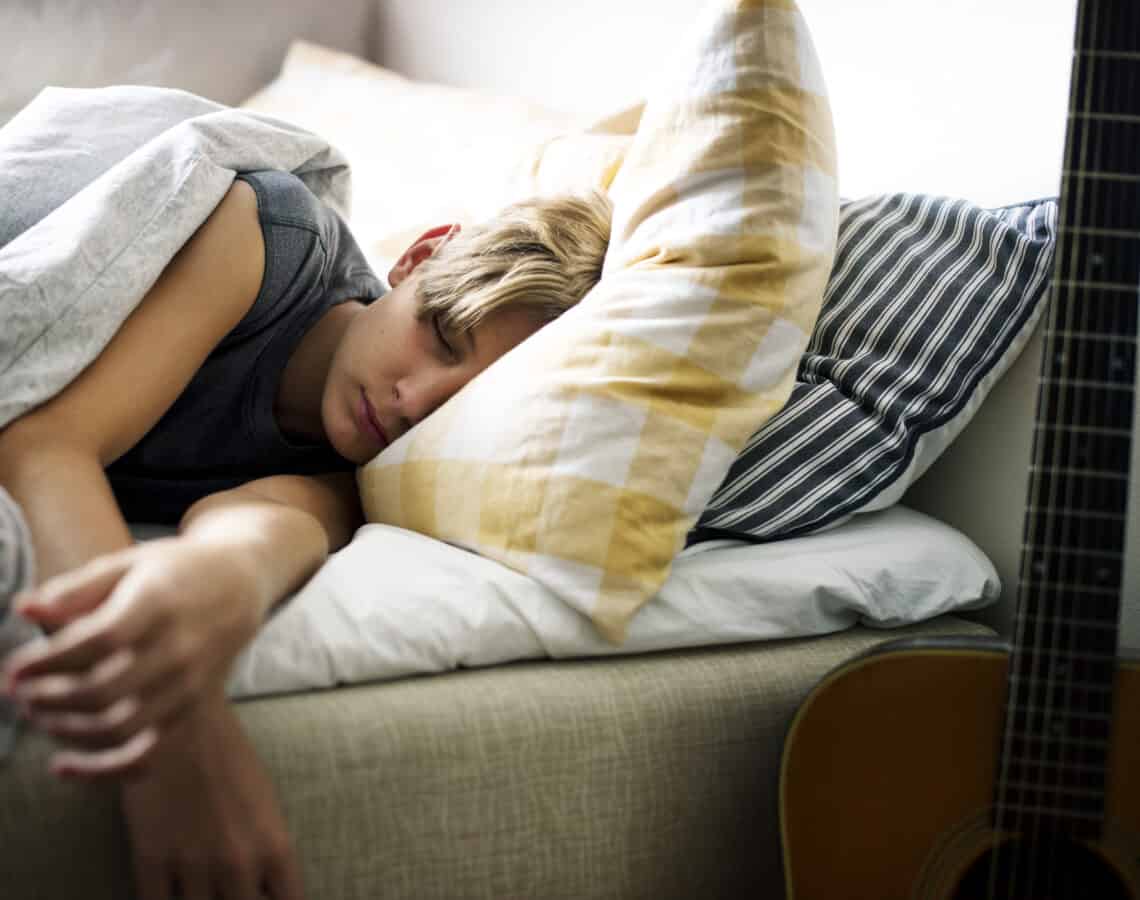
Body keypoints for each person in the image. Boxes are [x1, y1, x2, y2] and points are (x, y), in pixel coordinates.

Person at [0, 169, 613, 899]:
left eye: (462, 404)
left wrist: (228, 577)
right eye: (443, 337)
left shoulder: (381, 465)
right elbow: (41, 442)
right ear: (420, 257)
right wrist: (176, 737)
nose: (413, 400)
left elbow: (271, 522)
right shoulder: (262, 239)